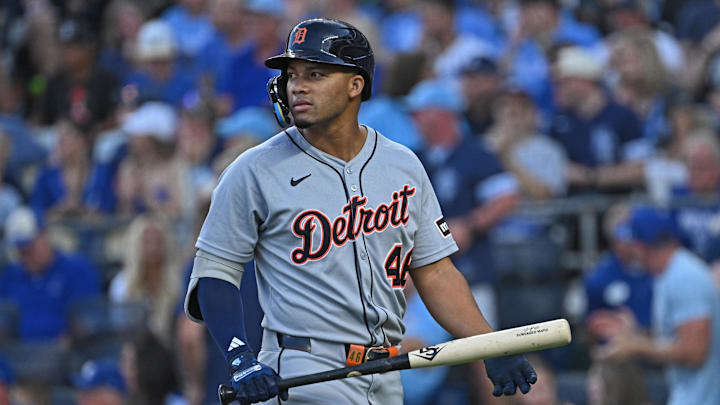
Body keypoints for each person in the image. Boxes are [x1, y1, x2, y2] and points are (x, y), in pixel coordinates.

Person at [184, 18, 536, 405]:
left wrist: (486, 343)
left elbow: (435, 271)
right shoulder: (251, 170)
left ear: (356, 85)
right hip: (304, 370)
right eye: (292, 75)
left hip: (386, 370)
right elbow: (216, 272)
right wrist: (240, 357)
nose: (297, 85)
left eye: (315, 73)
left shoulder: (403, 164)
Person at [596, 205, 720, 405]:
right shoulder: (669, 274)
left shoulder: (685, 277)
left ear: (641, 246)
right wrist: (634, 333)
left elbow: (695, 352)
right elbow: (676, 337)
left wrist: (637, 346)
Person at [0, 206, 101, 342]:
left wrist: (71, 338)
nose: (24, 255)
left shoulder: (77, 269)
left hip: (66, 357)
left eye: (29, 248)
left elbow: (87, 321)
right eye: (20, 250)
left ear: (44, 237)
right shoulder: (9, 277)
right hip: (18, 356)